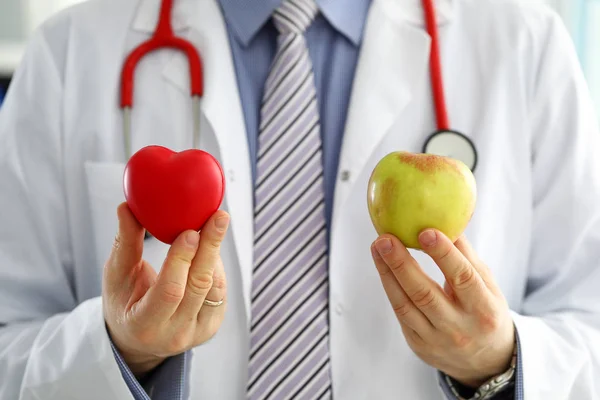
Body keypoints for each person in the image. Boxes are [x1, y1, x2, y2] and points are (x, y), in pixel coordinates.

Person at [1, 0, 599, 398]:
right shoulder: (70, 50)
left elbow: (589, 323)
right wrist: (119, 351)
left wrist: (500, 363)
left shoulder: (526, 44)